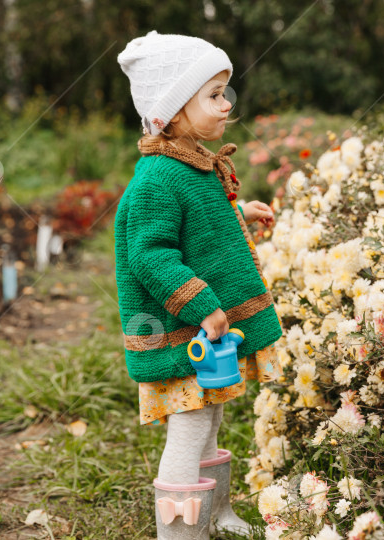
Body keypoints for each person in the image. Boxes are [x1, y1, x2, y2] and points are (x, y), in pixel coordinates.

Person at [115, 30, 284, 539]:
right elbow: (151, 255)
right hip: (182, 329)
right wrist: (203, 306)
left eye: (224, 91)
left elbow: (199, 224)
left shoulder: (192, 164)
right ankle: (179, 532)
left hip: (203, 334)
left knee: (210, 418)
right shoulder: (157, 179)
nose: (226, 103)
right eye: (213, 94)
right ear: (171, 111)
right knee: (188, 427)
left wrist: (238, 212)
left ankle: (215, 514)